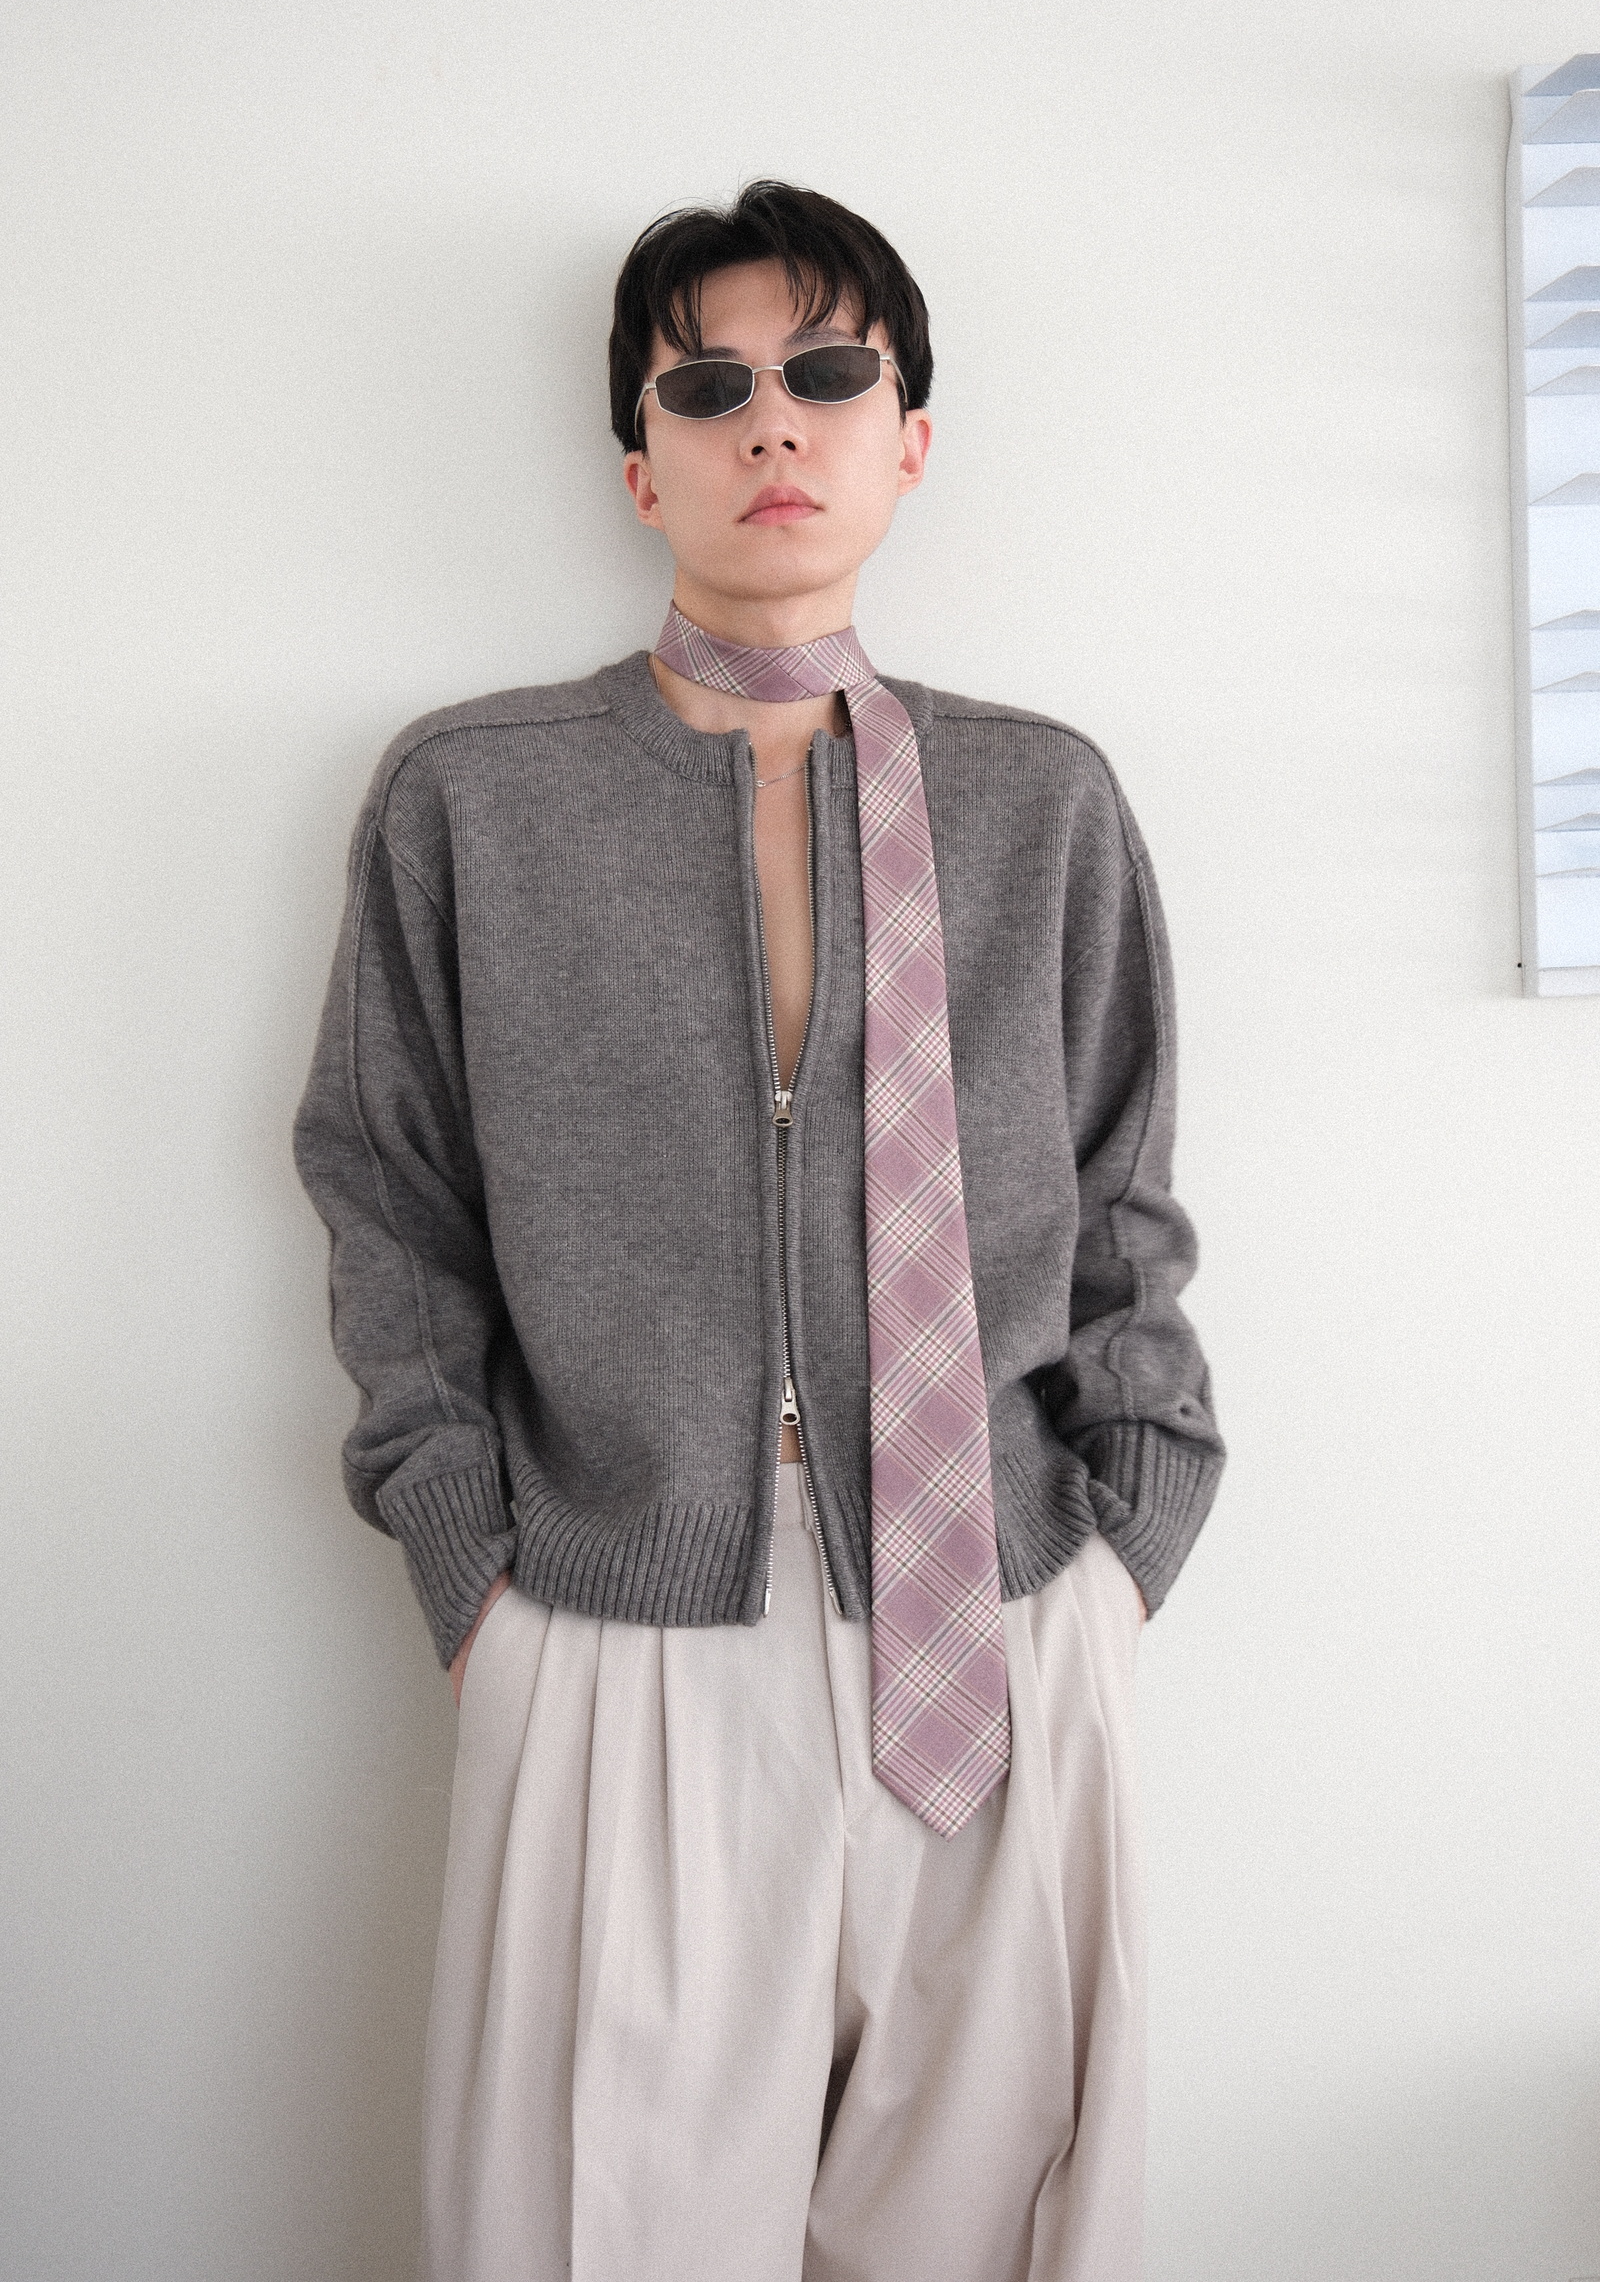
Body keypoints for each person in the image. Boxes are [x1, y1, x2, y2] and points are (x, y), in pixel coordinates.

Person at [292, 179, 1225, 2282]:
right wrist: (475, 1585)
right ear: (641, 466)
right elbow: (389, 1195)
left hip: (999, 1622)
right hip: (620, 1637)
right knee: (594, 2238)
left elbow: (1123, 1198)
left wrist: (1124, 1551)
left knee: (990, 2240)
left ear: (912, 437)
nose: (772, 423)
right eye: (705, 390)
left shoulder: (1044, 801)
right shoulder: (474, 797)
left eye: (826, 373)